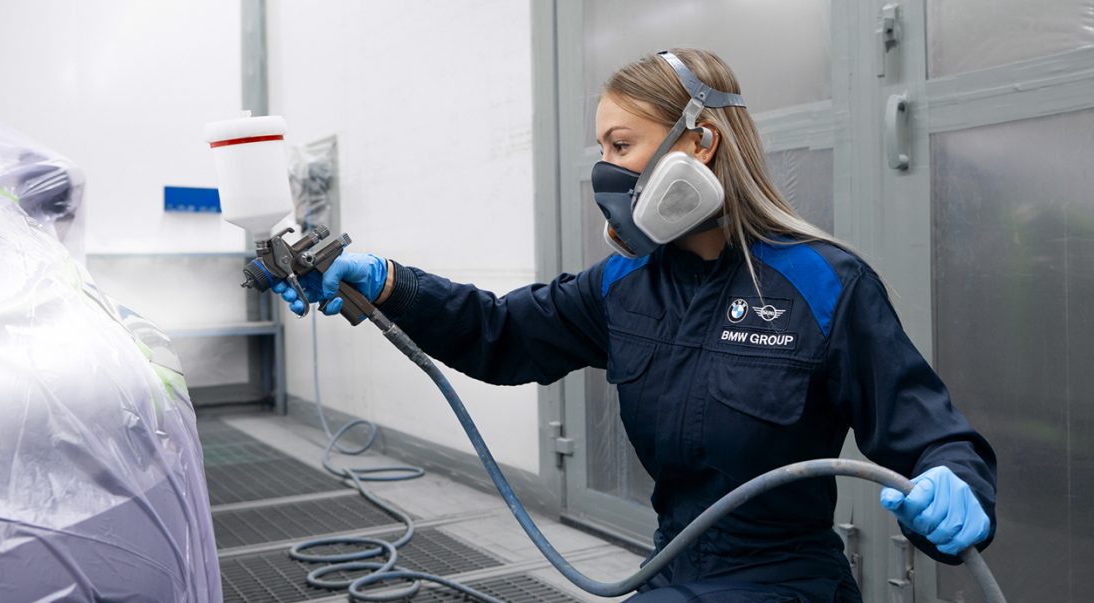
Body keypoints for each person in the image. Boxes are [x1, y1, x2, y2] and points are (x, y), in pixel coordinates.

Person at [271, 48, 997, 603]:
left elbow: (933, 435)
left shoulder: (823, 285)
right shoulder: (623, 285)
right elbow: (500, 333)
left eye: (621, 146)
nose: (606, 171)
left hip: (786, 583)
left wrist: (953, 484)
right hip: (668, 574)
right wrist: (389, 281)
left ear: (701, 143)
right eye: (602, 151)